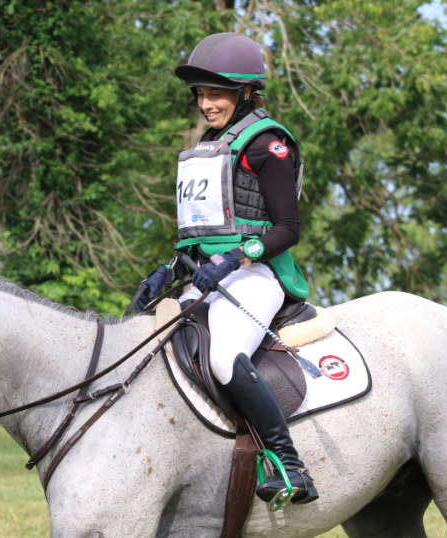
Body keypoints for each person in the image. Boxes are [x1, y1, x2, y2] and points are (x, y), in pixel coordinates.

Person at [134, 32, 318, 507]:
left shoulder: (267, 144)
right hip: (210, 277)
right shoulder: (210, 145)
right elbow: (203, 231)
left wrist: (237, 259)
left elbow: (288, 227)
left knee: (223, 355)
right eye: (200, 93)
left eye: (215, 93)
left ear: (246, 92)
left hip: (259, 275)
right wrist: (169, 267)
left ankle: (289, 464)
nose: (205, 103)